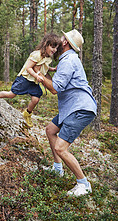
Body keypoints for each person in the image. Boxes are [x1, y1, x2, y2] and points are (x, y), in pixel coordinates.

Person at [37, 29, 97, 196]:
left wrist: (41, 77)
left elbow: (55, 88)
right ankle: (57, 169)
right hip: (72, 108)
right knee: (50, 130)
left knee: (61, 148)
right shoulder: (67, 60)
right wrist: (48, 70)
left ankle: (83, 184)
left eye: (61, 39)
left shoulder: (69, 60)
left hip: (79, 109)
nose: (57, 42)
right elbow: (61, 77)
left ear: (65, 43)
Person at [0, 33, 62, 128]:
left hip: (33, 82)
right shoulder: (37, 55)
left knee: (36, 99)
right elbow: (28, 68)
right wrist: (36, 76)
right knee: (11, 94)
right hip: (25, 79)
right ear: (46, 44)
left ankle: (27, 113)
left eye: (56, 48)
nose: (54, 50)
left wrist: (52, 69)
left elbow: (44, 67)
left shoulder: (47, 57)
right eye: (53, 47)